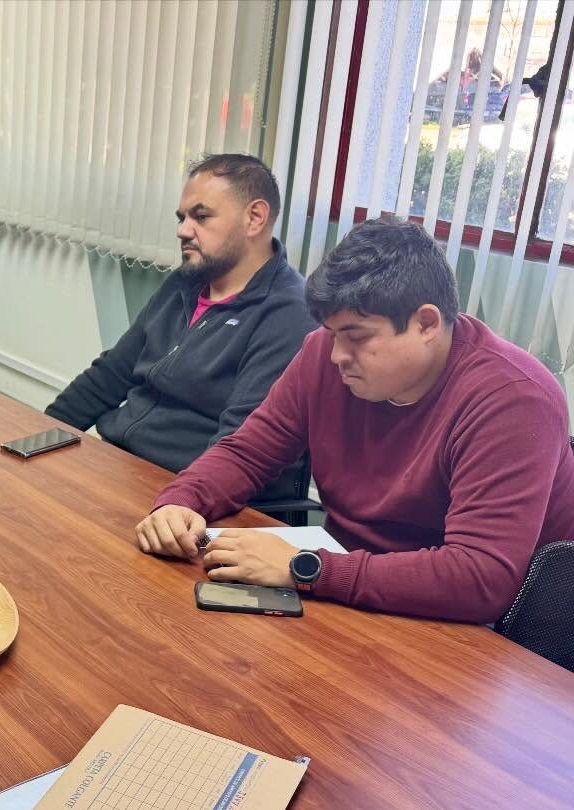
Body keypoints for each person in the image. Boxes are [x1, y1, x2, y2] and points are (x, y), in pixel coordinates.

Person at [136, 218, 574, 624]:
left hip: (482, 630)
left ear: (425, 323)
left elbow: (481, 578)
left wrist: (302, 568)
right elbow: (248, 452)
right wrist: (181, 501)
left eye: (357, 337)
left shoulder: (512, 399)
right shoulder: (323, 355)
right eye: (332, 333)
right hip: (351, 592)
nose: (337, 355)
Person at [46, 153, 314, 503]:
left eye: (201, 217)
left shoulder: (289, 312)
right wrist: (41, 435)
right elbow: (110, 375)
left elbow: (242, 450)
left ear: (255, 218)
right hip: (119, 466)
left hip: (187, 497)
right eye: (183, 218)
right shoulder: (186, 283)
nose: (183, 230)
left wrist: (177, 504)